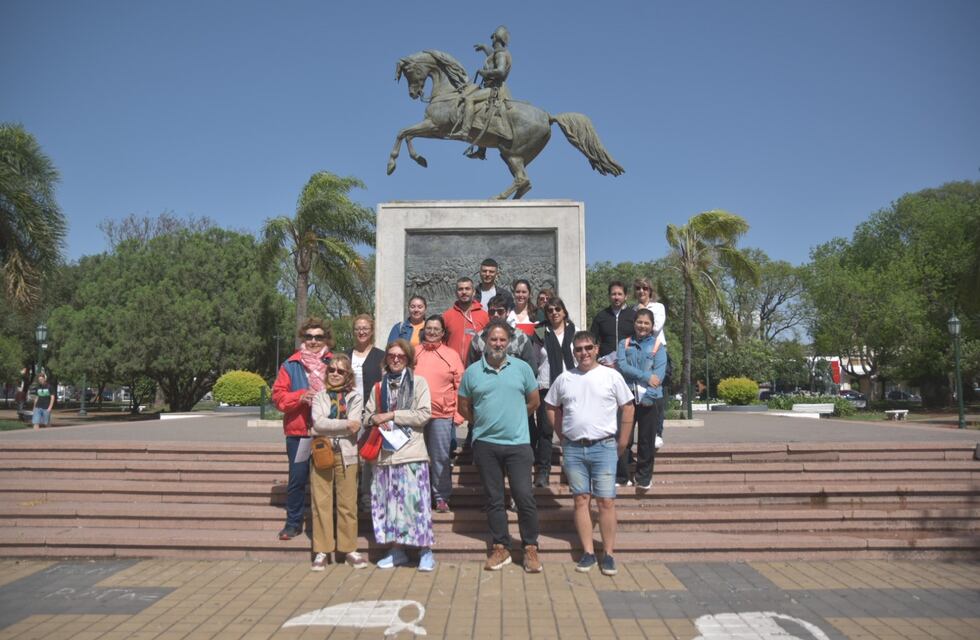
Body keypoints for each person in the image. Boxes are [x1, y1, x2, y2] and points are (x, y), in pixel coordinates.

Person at [545, 331, 635, 576]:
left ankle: (609, 554)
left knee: (606, 501)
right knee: (580, 499)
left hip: (603, 446)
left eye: (588, 348)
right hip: (574, 448)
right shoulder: (565, 378)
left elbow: (628, 407)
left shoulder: (611, 376)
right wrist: (562, 435)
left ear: (596, 349)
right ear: (573, 352)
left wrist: (623, 441)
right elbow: (551, 406)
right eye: (578, 349)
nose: (583, 353)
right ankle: (587, 552)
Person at [458, 320, 542, 573]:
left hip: (518, 444)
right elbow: (464, 406)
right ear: (485, 341)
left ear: (509, 342)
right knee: (494, 499)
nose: (497, 343)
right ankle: (501, 546)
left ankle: (530, 547)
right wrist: (482, 422)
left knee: (524, 496)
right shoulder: (472, 372)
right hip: (486, 444)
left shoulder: (522, 368)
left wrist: (513, 417)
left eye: (502, 339)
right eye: (493, 339)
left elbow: (534, 402)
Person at [363, 339, 436, 571]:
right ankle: (397, 551)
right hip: (385, 455)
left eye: (401, 356)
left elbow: (423, 414)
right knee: (390, 506)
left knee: (417, 505)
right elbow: (367, 415)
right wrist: (374, 419)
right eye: (392, 355)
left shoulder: (419, 383)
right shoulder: (379, 386)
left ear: (408, 359)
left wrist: (393, 415)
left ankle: (425, 551)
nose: (396, 359)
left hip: (411, 452)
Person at [272, 318, 334, 540]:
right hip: (300, 434)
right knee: (297, 480)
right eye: (309, 337)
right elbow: (278, 398)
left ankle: (325, 525)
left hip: (326, 432)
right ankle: (293, 524)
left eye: (318, 337)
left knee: (326, 481)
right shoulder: (291, 365)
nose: (313, 341)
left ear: (326, 339)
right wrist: (300, 396)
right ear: (303, 338)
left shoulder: (334, 363)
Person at [309, 354, 367, 570]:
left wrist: (328, 425)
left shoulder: (355, 397)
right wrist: (344, 424)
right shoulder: (319, 396)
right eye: (331, 370)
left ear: (348, 375)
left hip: (347, 454)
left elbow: (356, 425)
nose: (335, 374)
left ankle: (349, 548)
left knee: (348, 503)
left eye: (340, 371)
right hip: (322, 452)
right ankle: (322, 550)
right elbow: (317, 423)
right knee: (321, 502)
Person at [414, 314, 464, 513]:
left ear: (443, 333)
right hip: (415, 416)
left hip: (442, 415)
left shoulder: (451, 355)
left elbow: (461, 386)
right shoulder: (414, 352)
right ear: (424, 330)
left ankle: (441, 497)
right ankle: (419, 496)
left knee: (440, 457)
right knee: (416, 458)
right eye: (429, 328)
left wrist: (458, 415)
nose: (432, 332)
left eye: (436, 329)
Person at [616, 309, 668, 491]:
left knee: (646, 440)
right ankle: (622, 476)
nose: (642, 326)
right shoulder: (624, 343)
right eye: (639, 322)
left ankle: (644, 478)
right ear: (634, 323)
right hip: (627, 398)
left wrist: (649, 396)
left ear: (652, 326)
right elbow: (622, 366)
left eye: (646, 323)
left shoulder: (658, 346)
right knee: (624, 439)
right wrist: (646, 376)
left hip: (650, 399)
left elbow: (659, 375)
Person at [531, 297, 576, 487]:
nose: (554, 313)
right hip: (546, 385)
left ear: (564, 311)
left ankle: (573, 469)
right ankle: (543, 471)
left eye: (558, 309)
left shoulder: (575, 331)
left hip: (571, 386)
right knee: (545, 430)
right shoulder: (540, 331)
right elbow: (534, 359)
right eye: (550, 310)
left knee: (572, 429)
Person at [348, 314, 386, 513]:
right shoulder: (345, 355)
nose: (361, 332)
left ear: (371, 331)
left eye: (365, 328)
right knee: (349, 455)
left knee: (370, 457)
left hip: (371, 413)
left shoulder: (381, 356)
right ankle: (348, 494)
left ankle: (366, 496)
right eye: (358, 328)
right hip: (347, 414)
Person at [458, 26, 512, 160]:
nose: (491, 39)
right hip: (492, 87)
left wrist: (485, 73)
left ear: (497, 38)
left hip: (495, 89)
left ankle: (464, 131)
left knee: (469, 99)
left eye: (493, 37)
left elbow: (500, 71)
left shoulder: (501, 54)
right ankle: (481, 150)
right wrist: (484, 48)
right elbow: (492, 55)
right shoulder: (498, 53)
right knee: (482, 111)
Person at [633, 278, 667, 449]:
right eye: (638, 288)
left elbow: (655, 328)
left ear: (650, 291)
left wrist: (642, 311)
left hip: (656, 351)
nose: (641, 291)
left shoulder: (658, 307)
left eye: (645, 288)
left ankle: (657, 433)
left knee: (657, 389)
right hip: (638, 351)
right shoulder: (632, 309)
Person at [443, 277, 490, 363]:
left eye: (467, 289)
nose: (464, 292)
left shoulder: (484, 316)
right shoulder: (447, 316)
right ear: (456, 293)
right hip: (452, 365)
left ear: (474, 292)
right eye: (460, 289)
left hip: (476, 365)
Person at [589, 281, 636, 360]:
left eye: (620, 294)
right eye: (613, 294)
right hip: (606, 362)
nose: (616, 297)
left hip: (629, 361)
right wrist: (598, 358)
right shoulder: (601, 317)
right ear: (609, 296)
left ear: (626, 296)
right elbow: (592, 340)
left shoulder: (634, 316)